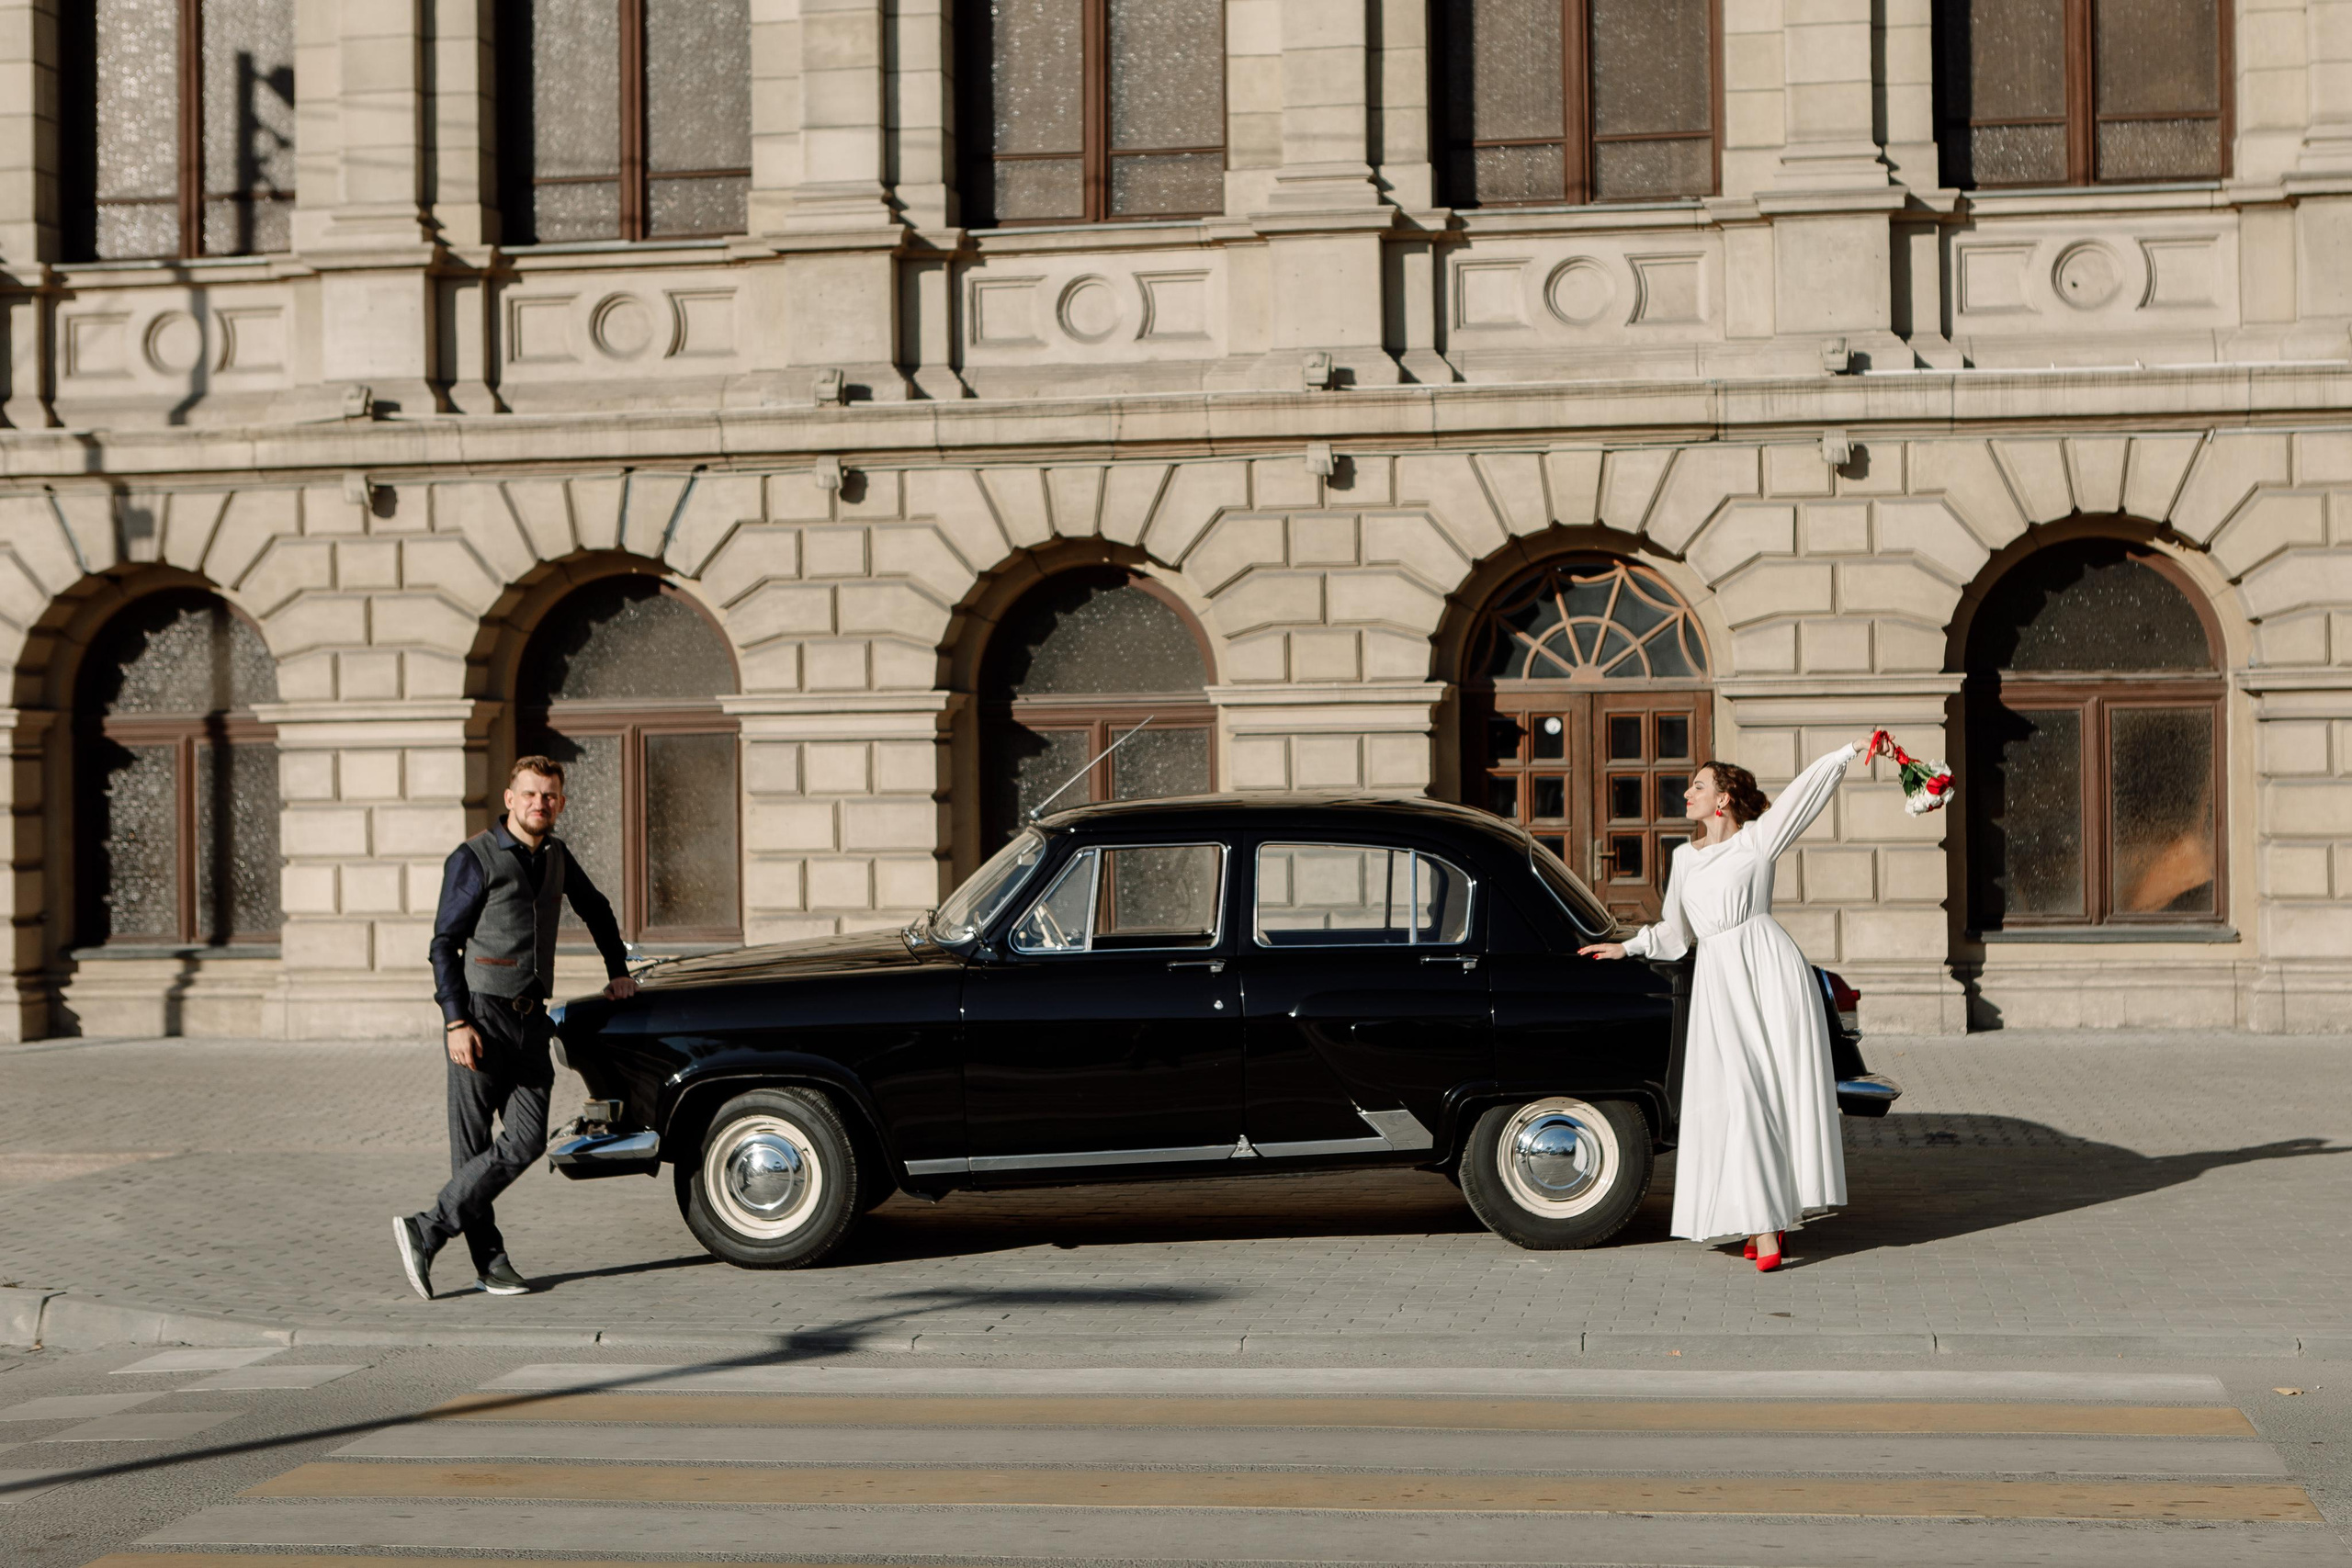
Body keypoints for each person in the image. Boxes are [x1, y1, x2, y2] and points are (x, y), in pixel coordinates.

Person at [1578, 736, 1878, 1272]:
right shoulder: (1683, 858)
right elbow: (1675, 933)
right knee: (1739, 1096)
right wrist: (1626, 946)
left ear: (1722, 800)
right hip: (1720, 979)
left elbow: (1803, 797)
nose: (1687, 792)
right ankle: (1765, 1220)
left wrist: (1846, 753)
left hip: (1769, 972)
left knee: (1773, 1095)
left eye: (1697, 785)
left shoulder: (1757, 842)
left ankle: (1767, 1226)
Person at [392, 756, 637, 1299]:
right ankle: (491, 1262)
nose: (538, 804)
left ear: (561, 804)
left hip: (531, 1021)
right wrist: (455, 1021)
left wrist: (617, 973)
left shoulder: (557, 856)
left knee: (525, 1141)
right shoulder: (473, 857)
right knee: (473, 1147)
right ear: (509, 798)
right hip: (479, 1014)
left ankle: (426, 1229)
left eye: (548, 796)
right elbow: (443, 945)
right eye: (529, 794)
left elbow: (595, 908)